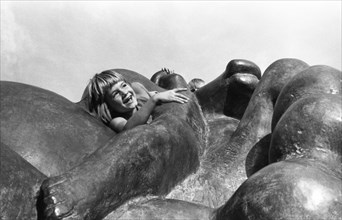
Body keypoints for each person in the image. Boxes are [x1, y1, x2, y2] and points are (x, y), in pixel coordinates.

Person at [86, 70, 189, 132]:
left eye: (124, 85)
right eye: (116, 93)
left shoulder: (139, 93)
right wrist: (153, 100)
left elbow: (153, 94)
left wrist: (158, 94)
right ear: (108, 105)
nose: (124, 92)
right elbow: (128, 129)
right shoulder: (117, 120)